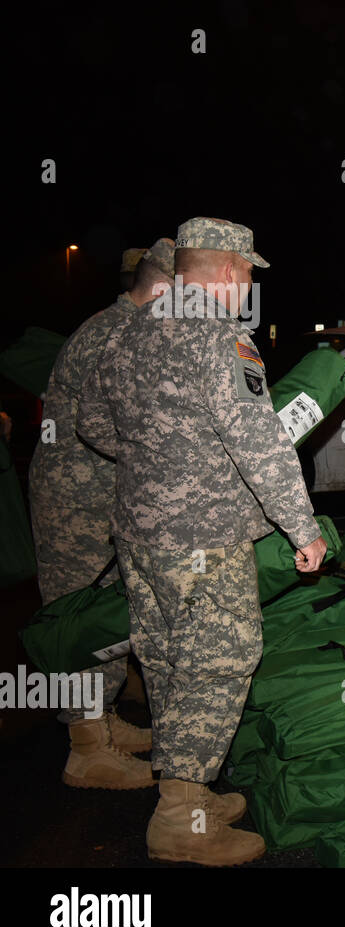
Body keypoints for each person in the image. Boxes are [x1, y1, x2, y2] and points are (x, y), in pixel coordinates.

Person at [78, 217, 326, 866]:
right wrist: (302, 526)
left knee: (164, 661)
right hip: (202, 540)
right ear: (226, 272)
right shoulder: (221, 338)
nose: (250, 286)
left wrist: (154, 459)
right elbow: (260, 443)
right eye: (249, 274)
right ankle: (181, 820)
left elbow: (92, 420)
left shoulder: (131, 329)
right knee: (221, 656)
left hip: (137, 534)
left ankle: (187, 793)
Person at [30, 238, 175, 791]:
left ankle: (104, 721)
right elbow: (122, 427)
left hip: (105, 494)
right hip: (77, 502)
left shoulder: (126, 328)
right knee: (76, 614)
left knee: (109, 611)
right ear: (162, 288)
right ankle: (86, 748)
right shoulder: (112, 335)